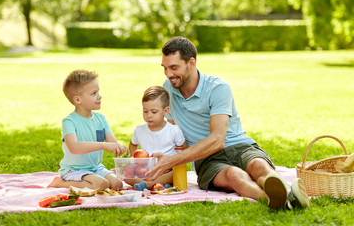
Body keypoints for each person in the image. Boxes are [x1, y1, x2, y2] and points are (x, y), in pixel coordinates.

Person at [145, 36, 310, 209]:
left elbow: (217, 140)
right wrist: (164, 163)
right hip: (207, 159)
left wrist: (172, 160)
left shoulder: (217, 88)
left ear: (191, 63)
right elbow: (175, 134)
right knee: (234, 175)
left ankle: (282, 190)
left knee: (258, 166)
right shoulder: (167, 91)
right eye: (165, 68)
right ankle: (280, 201)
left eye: (174, 67)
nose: (168, 74)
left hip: (240, 146)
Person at [48, 69, 127, 190]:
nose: (99, 96)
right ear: (78, 100)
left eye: (98, 92)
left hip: (95, 168)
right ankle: (59, 182)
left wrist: (120, 147)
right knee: (101, 185)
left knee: (117, 184)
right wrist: (103, 145)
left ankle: (93, 179)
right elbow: (74, 147)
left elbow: (112, 142)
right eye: (93, 93)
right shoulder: (69, 122)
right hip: (74, 170)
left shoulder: (100, 119)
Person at [125, 86, 188, 190]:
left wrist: (172, 160)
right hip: (146, 170)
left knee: (176, 172)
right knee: (127, 175)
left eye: (154, 112)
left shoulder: (173, 130)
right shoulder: (139, 130)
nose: (149, 115)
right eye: (145, 111)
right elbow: (133, 144)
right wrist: (135, 161)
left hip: (166, 170)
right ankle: (161, 184)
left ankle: (147, 185)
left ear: (165, 111)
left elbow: (184, 149)